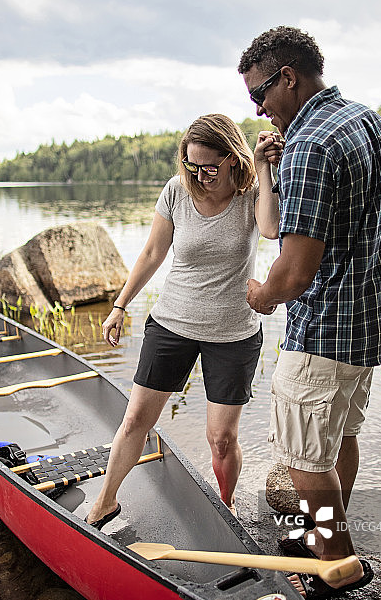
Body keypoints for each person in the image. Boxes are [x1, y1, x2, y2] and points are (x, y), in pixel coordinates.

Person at [238, 26, 381, 600]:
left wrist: (261, 296)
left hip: (324, 330)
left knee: (302, 457)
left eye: (259, 94)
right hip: (369, 324)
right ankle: (326, 537)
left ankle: (336, 565)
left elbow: (295, 272)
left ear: (289, 77)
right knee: (339, 439)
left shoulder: (310, 144)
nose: (258, 108)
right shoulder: (366, 121)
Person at [85, 113, 281, 529]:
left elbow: (270, 228)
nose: (201, 174)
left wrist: (264, 169)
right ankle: (104, 502)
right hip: (172, 324)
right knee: (137, 419)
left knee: (221, 440)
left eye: (210, 165)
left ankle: (225, 506)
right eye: (192, 165)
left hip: (233, 334)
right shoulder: (176, 191)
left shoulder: (251, 193)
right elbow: (153, 254)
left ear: (232, 157)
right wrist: (120, 305)